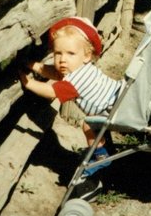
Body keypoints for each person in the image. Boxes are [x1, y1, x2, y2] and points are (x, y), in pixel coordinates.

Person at [20, 16, 124, 200]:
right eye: (58, 53)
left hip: (111, 109)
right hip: (118, 98)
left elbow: (52, 91)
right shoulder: (81, 69)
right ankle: (101, 150)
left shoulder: (76, 80)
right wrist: (34, 65)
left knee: (87, 125)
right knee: (91, 124)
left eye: (70, 53)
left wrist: (28, 83)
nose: (62, 60)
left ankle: (100, 157)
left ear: (87, 55)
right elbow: (56, 73)